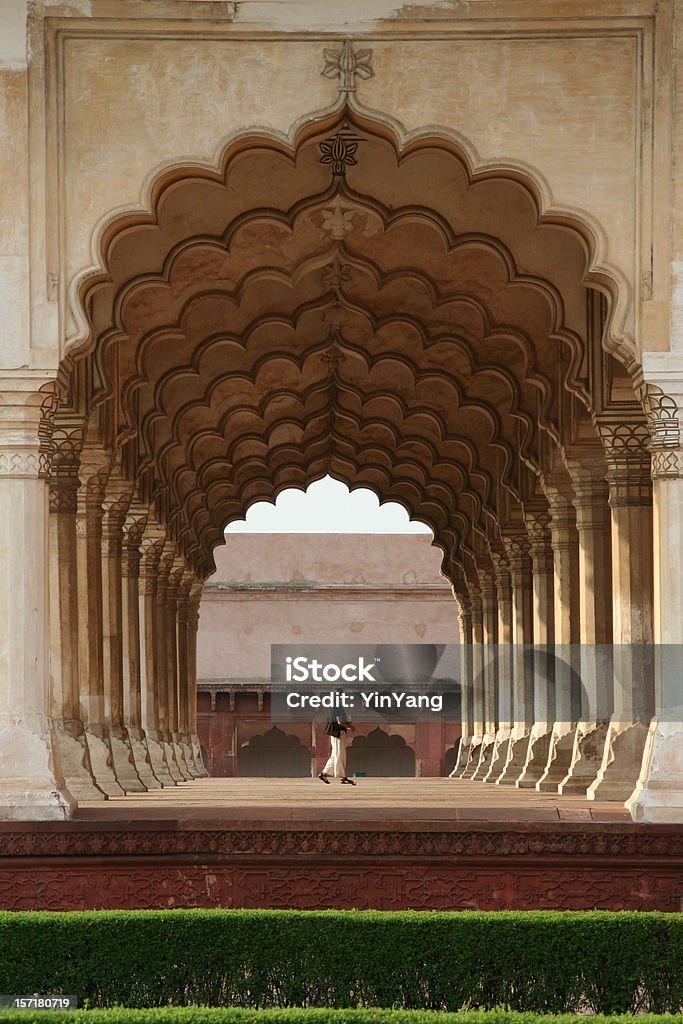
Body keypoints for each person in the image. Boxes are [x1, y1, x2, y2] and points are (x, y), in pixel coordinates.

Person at [318, 708, 356, 785]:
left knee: (335, 755)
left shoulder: (333, 708)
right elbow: (340, 722)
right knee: (340, 754)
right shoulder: (338, 708)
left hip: (335, 733)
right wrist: (351, 727)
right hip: (338, 733)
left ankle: (324, 773)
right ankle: (342, 777)